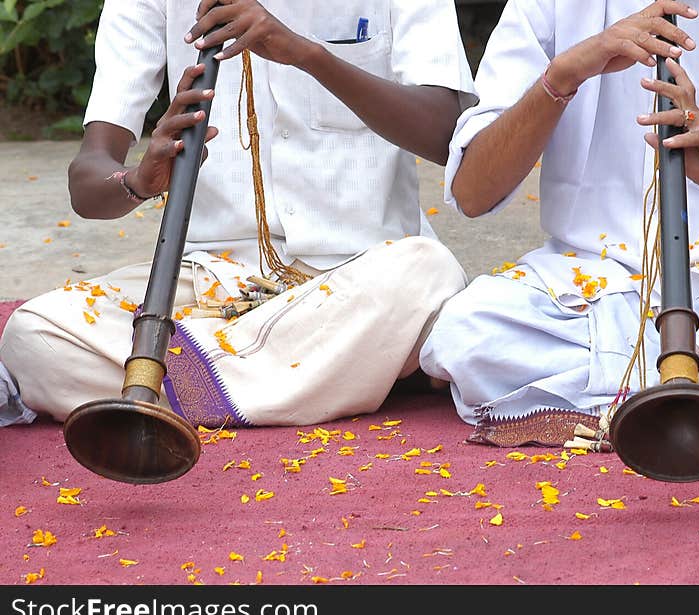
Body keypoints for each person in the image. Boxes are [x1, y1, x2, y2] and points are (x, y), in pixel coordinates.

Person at [419, 0, 699, 448]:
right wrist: (563, 77)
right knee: (468, 330)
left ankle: (626, 393)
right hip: (596, 297)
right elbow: (472, 192)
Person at [0, 0, 477, 428]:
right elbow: (87, 181)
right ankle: (302, 375)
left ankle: (171, 383)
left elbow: (442, 132)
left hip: (360, 271)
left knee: (429, 273)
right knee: (31, 334)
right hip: (213, 286)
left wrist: (307, 54)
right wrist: (138, 180)